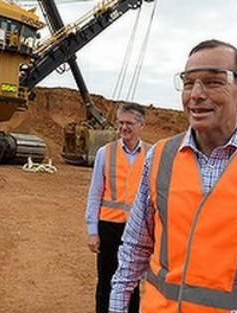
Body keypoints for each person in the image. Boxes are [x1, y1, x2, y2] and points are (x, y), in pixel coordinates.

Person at [108, 39, 237, 313]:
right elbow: (135, 248)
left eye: (213, 82)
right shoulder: (159, 157)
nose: (196, 94)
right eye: (188, 83)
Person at [86, 103, 150, 313]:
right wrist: (93, 231)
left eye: (129, 123)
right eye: (121, 122)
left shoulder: (152, 155)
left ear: (141, 125)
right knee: (106, 280)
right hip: (109, 226)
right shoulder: (106, 153)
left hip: (137, 230)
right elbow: (95, 193)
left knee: (132, 282)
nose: (124, 127)